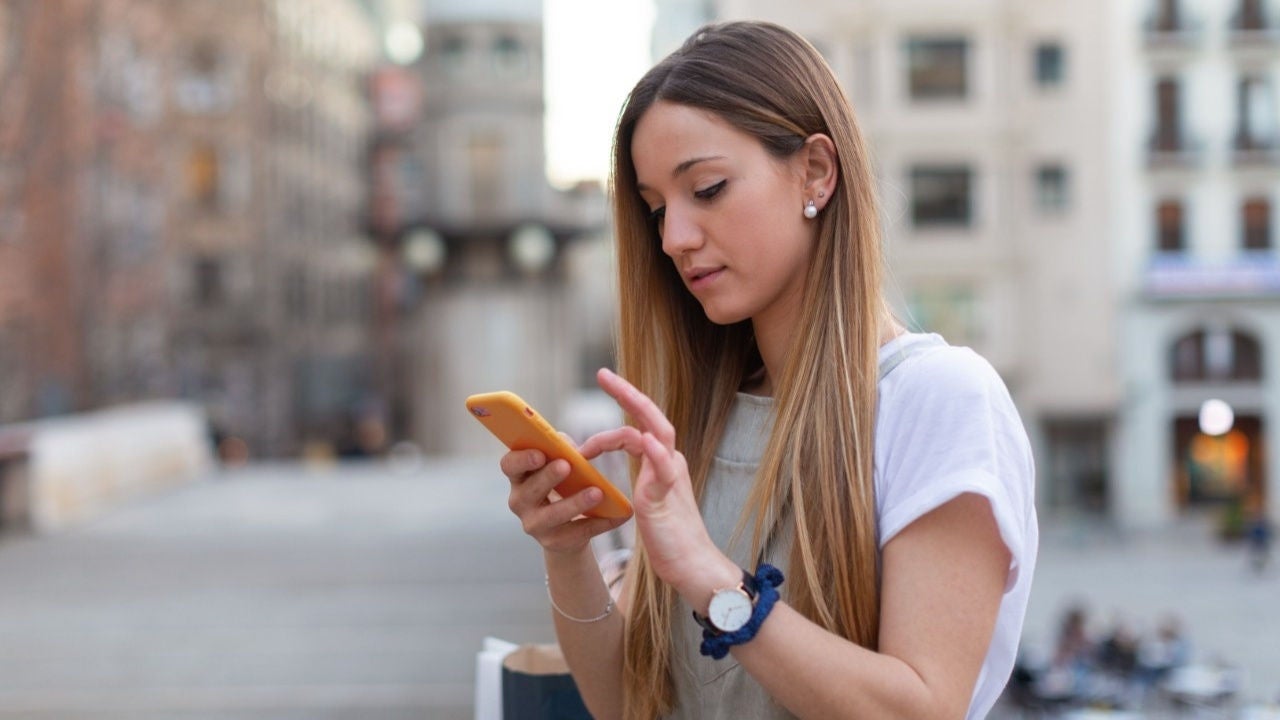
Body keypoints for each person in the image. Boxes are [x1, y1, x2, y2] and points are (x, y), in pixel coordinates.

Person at [499, 21, 1038, 720]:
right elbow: (629, 704)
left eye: (710, 189)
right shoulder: (699, 416)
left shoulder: (936, 398)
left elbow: (919, 710)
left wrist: (711, 578)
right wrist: (566, 552)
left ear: (816, 170)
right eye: (657, 209)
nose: (673, 238)